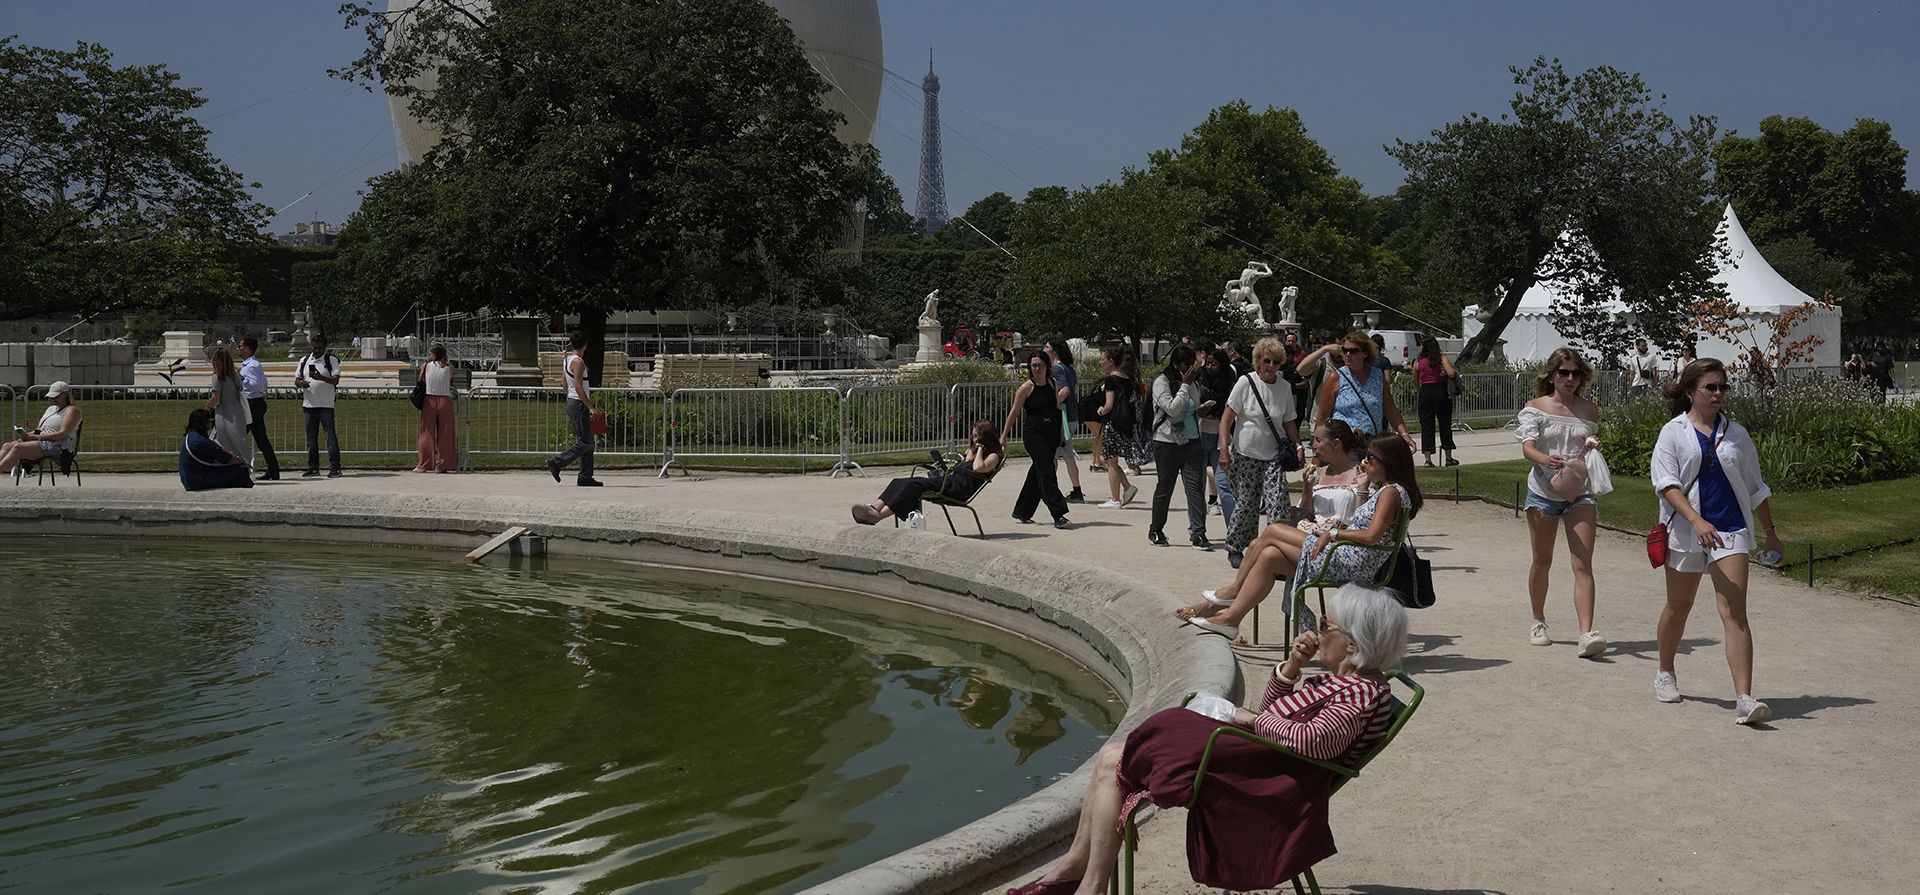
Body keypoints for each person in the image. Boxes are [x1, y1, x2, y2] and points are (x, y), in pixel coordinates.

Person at [1005, 584, 1408, 895]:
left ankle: (1083, 882)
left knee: (1116, 759)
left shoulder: (1360, 693)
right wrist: (1292, 666)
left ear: (1352, 644)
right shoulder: (1341, 681)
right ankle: (1075, 873)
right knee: (1116, 755)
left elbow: (1312, 743)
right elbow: (1275, 713)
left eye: (1324, 625)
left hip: (1272, 781)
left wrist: (1246, 719)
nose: (1317, 633)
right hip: (1261, 760)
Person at [1652, 358, 1786, 725]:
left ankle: (1744, 697)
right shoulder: (1673, 432)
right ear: (1690, 391)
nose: (1717, 394)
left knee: (1735, 611)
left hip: (1729, 530)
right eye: (1710, 387)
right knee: (1679, 607)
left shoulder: (1737, 434)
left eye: (1722, 387)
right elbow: (1666, 485)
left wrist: (1771, 533)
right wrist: (1695, 520)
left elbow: (1756, 488)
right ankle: (1665, 670)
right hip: (1685, 529)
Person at [1182, 435, 1420, 641]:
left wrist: (1334, 533)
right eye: (1366, 456)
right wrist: (1362, 488)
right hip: (1346, 556)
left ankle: (1234, 591)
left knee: (1273, 530)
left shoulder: (1391, 492)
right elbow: (1362, 521)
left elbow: (1371, 536)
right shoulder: (1387, 491)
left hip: (1351, 562)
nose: (1366, 462)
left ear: (1388, 461)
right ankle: (1231, 620)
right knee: (1269, 555)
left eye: (1371, 458)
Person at [1516, 348, 1609, 658]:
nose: (1570, 379)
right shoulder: (1536, 408)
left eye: (1575, 373)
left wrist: (1592, 446)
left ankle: (1586, 632)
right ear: (1552, 375)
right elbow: (1528, 449)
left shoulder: (1588, 410)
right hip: (1543, 491)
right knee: (1542, 561)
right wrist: (1546, 458)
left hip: (1579, 491)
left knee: (1582, 563)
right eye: (1563, 373)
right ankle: (1538, 620)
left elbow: (1587, 446)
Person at [1219, 338, 1302, 569]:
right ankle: (1236, 547)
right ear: (1258, 361)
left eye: (1276, 362)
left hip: (1274, 455)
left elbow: (1289, 422)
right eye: (1267, 361)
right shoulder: (1246, 383)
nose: (1271, 366)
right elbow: (1226, 420)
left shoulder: (1284, 387)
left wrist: (1299, 446)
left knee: (1279, 504)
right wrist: (1224, 450)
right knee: (1246, 503)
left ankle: (1275, 550)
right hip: (1246, 454)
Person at [852, 421, 1003, 524]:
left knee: (913, 485)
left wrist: (980, 449)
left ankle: (877, 517)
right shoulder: (973, 452)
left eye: (976, 436)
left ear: (985, 437)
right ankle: (874, 509)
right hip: (949, 482)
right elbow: (961, 468)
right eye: (973, 435)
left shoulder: (993, 456)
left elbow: (977, 469)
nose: (973, 439)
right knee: (899, 481)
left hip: (957, 490)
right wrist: (942, 467)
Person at [1147, 345, 1208, 549]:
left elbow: (1190, 409)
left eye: (1193, 364)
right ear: (1175, 364)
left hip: (1191, 441)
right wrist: (1184, 385)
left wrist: (1202, 409)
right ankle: (1156, 529)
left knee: (1195, 488)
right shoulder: (1162, 382)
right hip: (1166, 442)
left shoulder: (1194, 383)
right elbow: (1172, 410)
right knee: (1165, 487)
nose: (1190, 368)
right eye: (1186, 364)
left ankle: (1198, 533)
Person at [1005, 352, 1072, 528]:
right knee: (1047, 471)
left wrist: (1061, 434)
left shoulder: (1052, 383)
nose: (1036, 369)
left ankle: (1022, 511)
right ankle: (1058, 513)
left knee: (1037, 472)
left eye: (1039, 365)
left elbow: (1056, 410)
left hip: (1050, 434)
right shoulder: (1026, 387)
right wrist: (1003, 436)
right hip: (1033, 435)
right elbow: (1014, 412)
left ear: (1046, 366)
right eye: (1033, 366)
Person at [1316, 329, 1412, 444]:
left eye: (1353, 351)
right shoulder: (1336, 377)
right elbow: (1322, 416)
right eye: (1344, 350)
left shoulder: (1377, 376)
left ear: (1365, 353)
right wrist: (1318, 444)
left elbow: (1390, 409)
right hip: (1345, 447)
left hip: (1371, 444)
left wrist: (1404, 434)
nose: (1347, 355)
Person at [545, 330, 603, 486]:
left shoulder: (566, 360)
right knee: (587, 442)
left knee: (584, 440)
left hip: (571, 402)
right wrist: (590, 407)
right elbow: (578, 386)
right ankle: (558, 462)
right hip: (579, 403)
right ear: (585, 345)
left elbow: (565, 386)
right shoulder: (578, 362)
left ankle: (585, 476)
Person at [1092, 347, 1143, 509]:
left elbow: (1108, 405)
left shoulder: (1110, 380)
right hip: (1125, 423)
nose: (1100, 362)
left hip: (1113, 424)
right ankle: (1127, 488)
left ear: (1111, 361)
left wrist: (1100, 410)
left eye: (1102, 359)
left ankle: (1115, 499)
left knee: (1110, 461)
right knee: (1108, 459)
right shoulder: (1127, 378)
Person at [2, 380, 83, 479]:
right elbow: (40, 429)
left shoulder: (72, 410)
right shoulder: (51, 409)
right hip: (42, 440)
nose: (53, 399)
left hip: (59, 445)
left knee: (18, 448)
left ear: (65, 395)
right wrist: (28, 435)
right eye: (52, 397)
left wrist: (37, 437)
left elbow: (63, 433)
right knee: (7, 446)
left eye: (56, 396)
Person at [294, 335, 343, 478]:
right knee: (311, 439)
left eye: (319, 348)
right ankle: (313, 467)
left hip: (326, 405)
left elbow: (336, 380)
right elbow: (297, 379)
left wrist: (320, 377)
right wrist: (301, 383)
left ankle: (335, 467)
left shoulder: (331, 360)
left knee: (330, 437)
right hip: (309, 405)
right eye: (314, 347)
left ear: (325, 347)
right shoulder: (304, 360)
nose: (316, 350)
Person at [1197, 348, 1236, 519]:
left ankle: (1233, 530)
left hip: (1220, 439)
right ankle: (1198, 531)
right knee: (1196, 487)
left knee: (1224, 485)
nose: (1210, 367)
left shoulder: (1230, 384)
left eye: (1215, 364)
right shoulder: (1199, 380)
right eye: (1208, 363)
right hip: (1198, 436)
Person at [1045, 338, 1086, 503]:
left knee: (1054, 455)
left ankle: (1051, 489)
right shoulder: (1069, 369)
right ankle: (1075, 490)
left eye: (1047, 347)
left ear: (1054, 351)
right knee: (1066, 454)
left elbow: (1065, 390)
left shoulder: (1056, 369)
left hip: (1062, 418)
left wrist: (1050, 405)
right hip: (1071, 416)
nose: (1044, 349)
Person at [236, 337, 280, 480]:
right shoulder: (252, 364)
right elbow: (264, 383)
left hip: (252, 404)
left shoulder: (252, 366)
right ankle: (273, 469)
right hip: (254, 403)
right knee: (261, 439)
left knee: (239, 437)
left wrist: (240, 377)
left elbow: (255, 385)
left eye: (240, 346)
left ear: (247, 348)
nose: (238, 349)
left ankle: (238, 468)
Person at [179, 408, 253, 491]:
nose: (212, 423)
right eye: (210, 420)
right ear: (203, 423)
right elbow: (225, 458)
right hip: (197, 481)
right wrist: (242, 461)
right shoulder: (200, 441)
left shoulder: (192, 436)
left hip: (191, 479)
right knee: (240, 469)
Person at [1412, 336, 1457, 467]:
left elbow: (1414, 379)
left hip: (1425, 391)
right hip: (1440, 391)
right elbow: (1451, 374)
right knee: (1445, 424)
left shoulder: (1418, 361)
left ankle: (1428, 459)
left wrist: (1419, 390)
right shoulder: (1441, 358)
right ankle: (1448, 457)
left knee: (1426, 426)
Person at [204, 346, 252, 468]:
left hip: (224, 411)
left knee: (223, 439)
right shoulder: (235, 375)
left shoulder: (217, 377)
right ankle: (246, 465)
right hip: (237, 409)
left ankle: (232, 465)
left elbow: (215, 397)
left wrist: (206, 408)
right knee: (239, 440)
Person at [414, 343, 458, 472]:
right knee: (446, 433)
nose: (429, 355)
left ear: (435, 354)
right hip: (445, 399)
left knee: (426, 432)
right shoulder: (449, 367)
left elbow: (421, 379)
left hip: (430, 399)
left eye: (430, 353)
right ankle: (443, 464)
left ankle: (425, 463)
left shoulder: (426, 366)